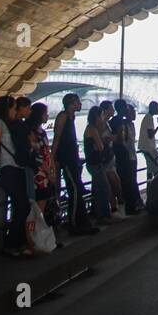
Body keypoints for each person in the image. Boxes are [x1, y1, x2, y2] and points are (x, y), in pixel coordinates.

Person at [0, 95, 31, 255]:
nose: (15, 111)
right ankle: (12, 244)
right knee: (22, 205)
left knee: (21, 206)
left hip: (15, 168)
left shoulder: (7, 124)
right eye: (13, 108)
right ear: (7, 109)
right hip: (8, 169)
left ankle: (17, 243)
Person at [53, 94, 97, 236]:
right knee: (75, 190)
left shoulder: (71, 117)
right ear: (71, 104)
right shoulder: (63, 117)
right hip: (66, 159)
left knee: (76, 189)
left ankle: (80, 221)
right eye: (77, 102)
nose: (80, 104)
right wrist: (52, 159)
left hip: (72, 159)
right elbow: (57, 138)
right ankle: (75, 223)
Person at [109, 98, 141, 215]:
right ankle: (131, 206)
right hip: (125, 155)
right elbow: (122, 140)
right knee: (128, 180)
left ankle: (131, 204)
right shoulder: (121, 123)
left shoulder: (116, 122)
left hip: (122, 155)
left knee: (128, 180)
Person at [83, 106, 113, 225]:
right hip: (95, 163)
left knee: (98, 189)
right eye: (101, 116)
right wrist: (103, 142)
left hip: (93, 162)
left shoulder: (91, 128)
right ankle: (103, 216)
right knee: (103, 189)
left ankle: (98, 213)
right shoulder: (92, 129)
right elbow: (100, 146)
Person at [26, 102, 55, 225]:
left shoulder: (42, 132)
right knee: (39, 205)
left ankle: (43, 233)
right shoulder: (32, 133)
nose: (47, 116)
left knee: (45, 201)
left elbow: (47, 152)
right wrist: (48, 171)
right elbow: (37, 155)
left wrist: (51, 167)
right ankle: (37, 234)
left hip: (46, 170)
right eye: (45, 114)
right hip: (39, 173)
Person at [99, 101, 121, 208]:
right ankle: (113, 206)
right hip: (106, 158)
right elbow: (100, 139)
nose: (113, 110)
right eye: (111, 108)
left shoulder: (107, 123)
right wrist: (111, 138)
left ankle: (114, 206)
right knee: (112, 182)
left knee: (113, 183)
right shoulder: (101, 124)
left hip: (111, 156)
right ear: (106, 110)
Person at [139, 101, 158, 180]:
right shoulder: (149, 118)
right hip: (148, 148)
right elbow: (151, 134)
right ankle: (155, 186)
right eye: (157, 108)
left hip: (145, 147)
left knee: (150, 168)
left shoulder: (147, 117)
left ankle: (149, 187)